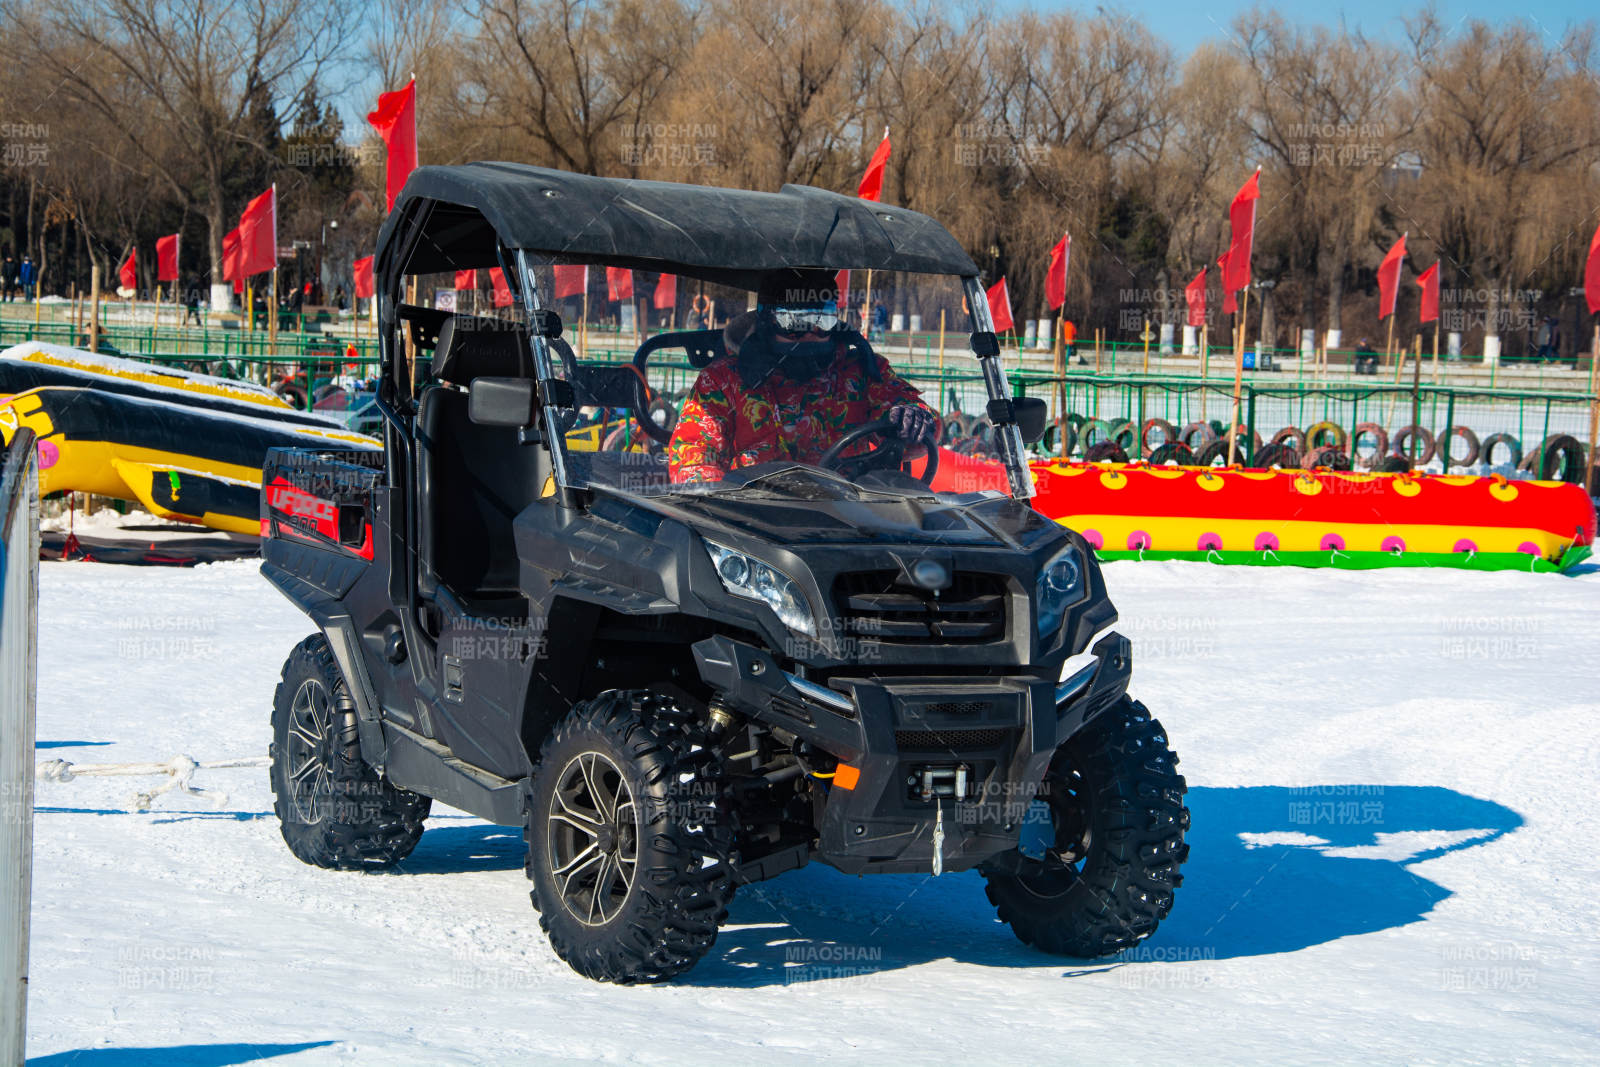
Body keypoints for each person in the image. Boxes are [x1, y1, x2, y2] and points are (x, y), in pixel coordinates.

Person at [667, 269, 937, 484]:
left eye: (822, 321)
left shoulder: (861, 372)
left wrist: (913, 418)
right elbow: (693, 454)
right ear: (767, 322)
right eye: (795, 324)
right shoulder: (723, 380)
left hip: (850, 520)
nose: (810, 335)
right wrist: (720, 506)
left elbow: (919, 420)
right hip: (755, 523)